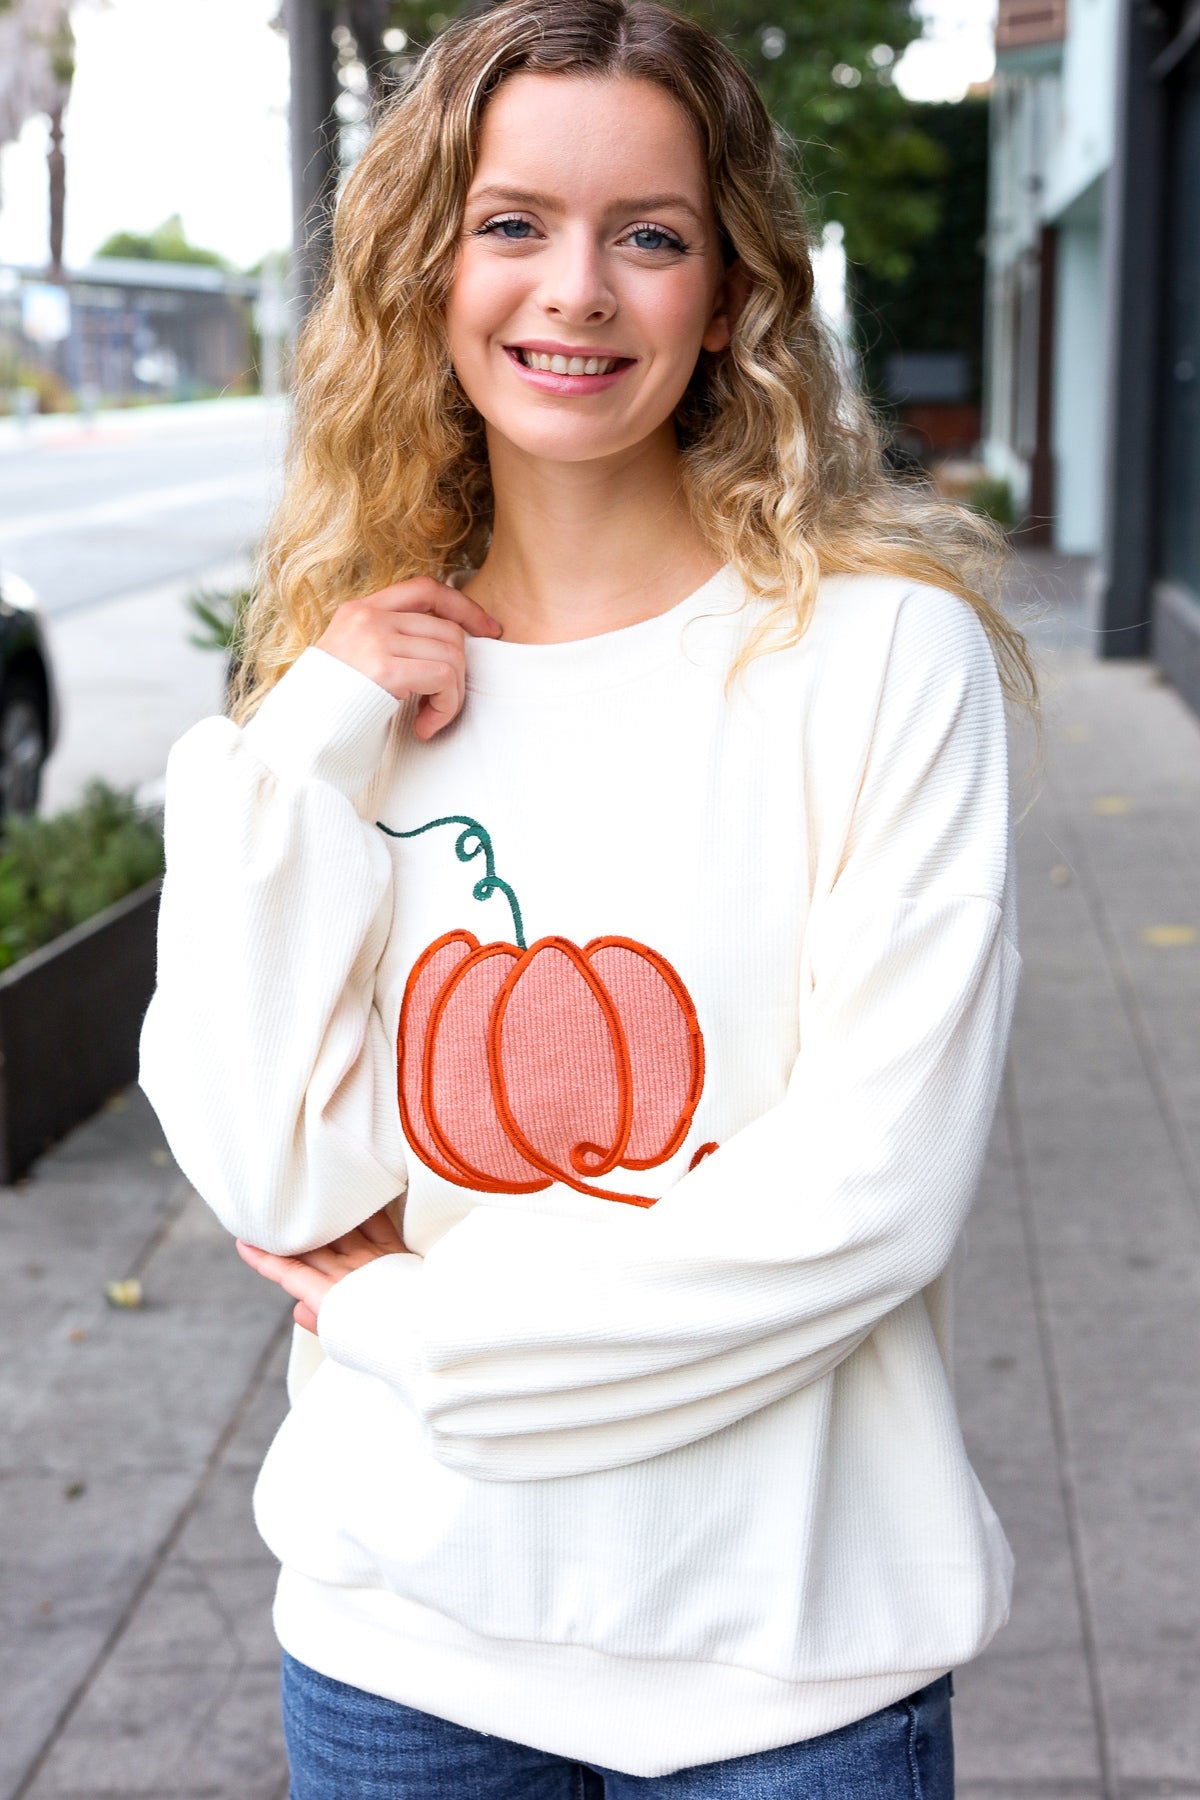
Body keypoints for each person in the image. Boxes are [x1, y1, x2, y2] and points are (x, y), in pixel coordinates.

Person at [140, 2, 1037, 1793]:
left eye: (649, 234)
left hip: (789, 1682)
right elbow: (268, 1169)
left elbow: (868, 1205)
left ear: (730, 289)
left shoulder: (875, 660)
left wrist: (414, 1325)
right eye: (512, 224)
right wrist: (314, 728)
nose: (579, 291)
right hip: (401, 1650)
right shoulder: (350, 699)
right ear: (427, 269)